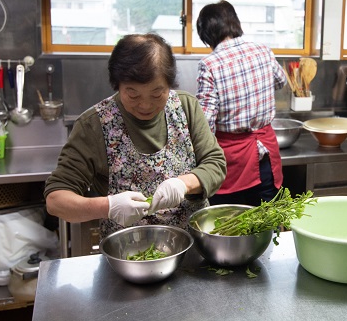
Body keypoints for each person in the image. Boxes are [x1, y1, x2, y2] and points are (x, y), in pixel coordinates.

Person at [44, 33, 226, 239]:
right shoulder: (94, 125)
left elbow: (215, 164)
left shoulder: (186, 107)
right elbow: (56, 200)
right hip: (129, 255)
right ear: (117, 84)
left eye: (157, 94)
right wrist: (108, 206)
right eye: (133, 94)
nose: (146, 105)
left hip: (194, 245)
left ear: (170, 84)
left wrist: (184, 184)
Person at [195, 0, 287, 207]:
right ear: (235, 23)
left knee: (229, 225)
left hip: (231, 162)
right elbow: (281, 81)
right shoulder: (263, 51)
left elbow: (205, 123)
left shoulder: (209, 64)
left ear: (206, 34)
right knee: (268, 221)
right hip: (266, 153)